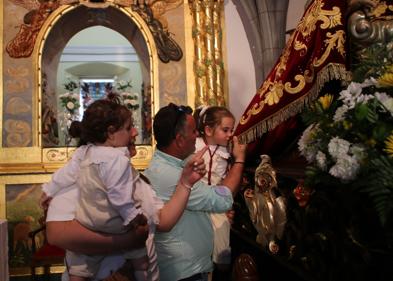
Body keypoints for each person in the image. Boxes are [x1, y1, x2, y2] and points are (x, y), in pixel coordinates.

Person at [42, 99, 207, 281]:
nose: (136, 132)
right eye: (130, 128)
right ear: (109, 136)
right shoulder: (84, 176)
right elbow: (56, 234)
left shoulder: (135, 178)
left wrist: (186, 181)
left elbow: (164, 220)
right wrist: (127, 241)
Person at [143, 103, 247, 281]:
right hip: (185, 271)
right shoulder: (174, 175)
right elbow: (222, 200)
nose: (197, 135)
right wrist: (239, 161)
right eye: (193, 132)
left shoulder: (163, 164)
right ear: (179, 139)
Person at [193, 105, 236, 280]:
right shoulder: (195, 146)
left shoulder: (227, 151)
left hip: (217, 203)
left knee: (222, 246)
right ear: (208, 130)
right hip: (197, 202)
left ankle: (221, 265)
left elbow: (227, 179)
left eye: (231, 130)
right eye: (225, 130)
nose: (230, 134)